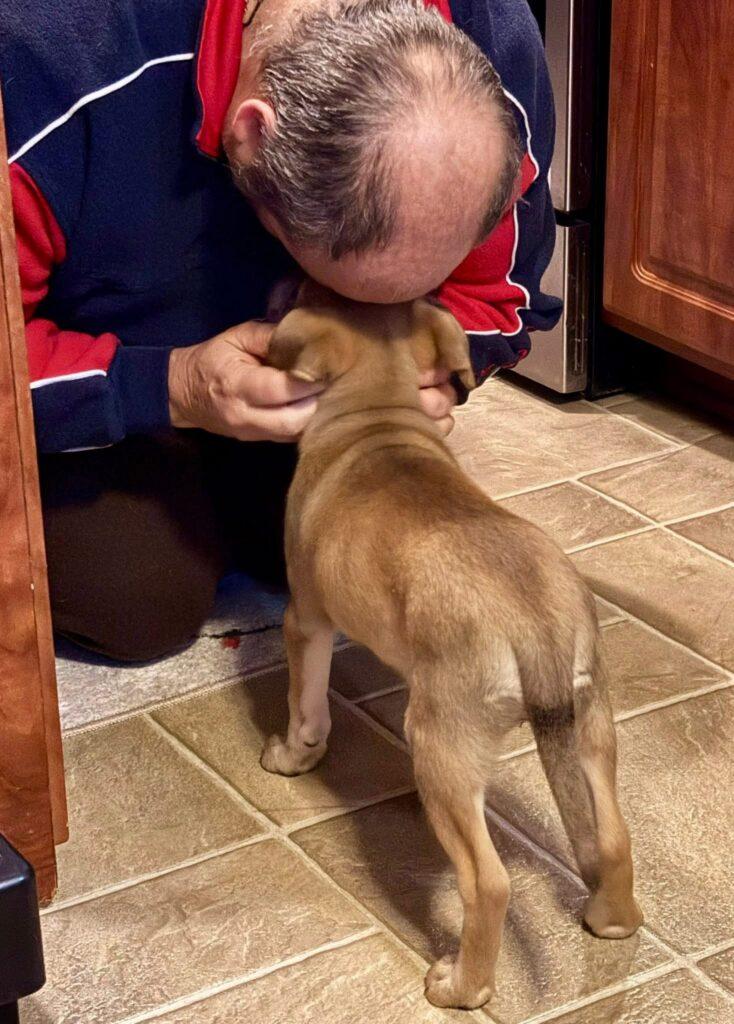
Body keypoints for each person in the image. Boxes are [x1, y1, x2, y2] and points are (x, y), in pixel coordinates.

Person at [2, 0, 561, 661]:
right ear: (250, 132)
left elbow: (500, 295)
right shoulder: (49, 60)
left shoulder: (495, 41)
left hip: (259, 400)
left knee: (358, 558)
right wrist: (171, 385)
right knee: (134, 602)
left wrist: (440, 359)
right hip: (93, 378)